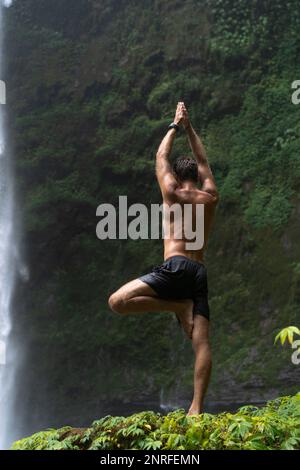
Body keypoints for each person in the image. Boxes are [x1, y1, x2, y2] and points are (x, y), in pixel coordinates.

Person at [108, 102, 219, 415]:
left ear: (175, 175)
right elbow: (203, 159)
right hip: (198, 270)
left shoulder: (171, 192)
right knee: (202, 342)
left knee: (117, 302)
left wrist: (174, 125)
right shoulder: (210, 197)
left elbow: (160, 157)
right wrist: (190, 127)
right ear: (197, 175)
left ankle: (175, 305)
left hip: (175, 266)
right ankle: (196, 408)